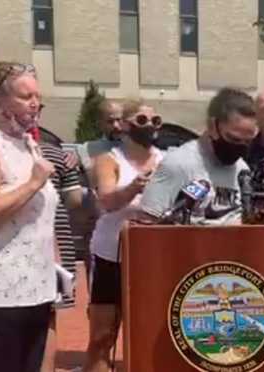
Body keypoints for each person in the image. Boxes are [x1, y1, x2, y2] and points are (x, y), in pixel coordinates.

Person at [0, 61, 59, 372]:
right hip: (2, 293)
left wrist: (55, 269)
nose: (35, 103)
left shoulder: (29, 144)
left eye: (37, 95)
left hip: (39, 288)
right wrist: (33, 184)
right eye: (25, 96)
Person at [84, 101, 164, 372]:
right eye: (142, 120)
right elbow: (106, 201)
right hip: (110, 254)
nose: (150, 126)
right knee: (102, 336)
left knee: (148, 334)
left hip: (152, 259)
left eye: (156, 121)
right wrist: (134, 187)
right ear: (126, 126)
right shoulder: (108, 160)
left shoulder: (168, 161)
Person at [137, 87, 258, 225]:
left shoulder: (241, 170)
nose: (240, 147)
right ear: (213, 126)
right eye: (234, 139)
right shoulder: (178, 164)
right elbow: (146, 225)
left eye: (247, 141)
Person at [28, 127, 85, 372]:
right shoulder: (59, 156)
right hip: (56, 238)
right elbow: (75, 200)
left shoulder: (1, 151)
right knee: (49, 313)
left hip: (18, 238)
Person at [67, 100, 123, 266]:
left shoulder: (138, 150)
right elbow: (70, 185)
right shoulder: (86, 150)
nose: (116, 125)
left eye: (120, 120)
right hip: (98, 231)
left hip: (130, 229)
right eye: (110, 121)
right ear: (100, 123)